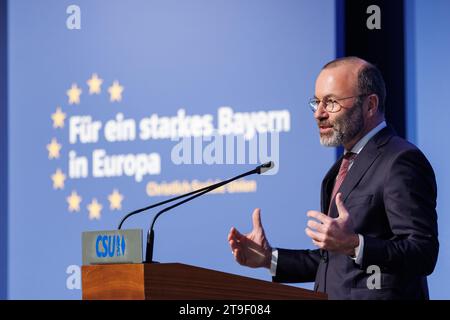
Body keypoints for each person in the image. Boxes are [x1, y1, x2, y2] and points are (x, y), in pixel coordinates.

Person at [228, 56, 439, 300]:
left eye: (331, 102)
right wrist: (269, 258)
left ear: (370, 105)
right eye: (316, 102)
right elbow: (334, 261)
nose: (318, 113)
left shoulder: (400, 160)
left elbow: (422, 253)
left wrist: (354, 244)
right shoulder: (340, 169)